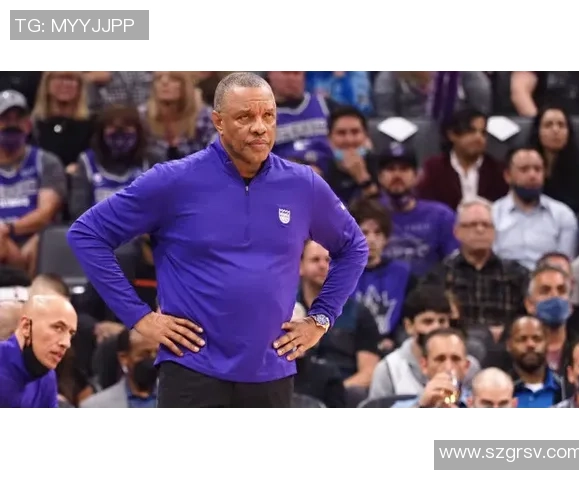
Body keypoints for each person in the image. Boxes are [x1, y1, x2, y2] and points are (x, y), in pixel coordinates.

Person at [67, 72, 368, 408]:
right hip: (192, 371)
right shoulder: (174, 181)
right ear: (218, 122)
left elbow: (354, 247)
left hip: (273, 371)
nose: (260, 127)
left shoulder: (302, 185)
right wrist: (140, 318)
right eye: (245, 117)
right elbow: (87, 234)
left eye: (268, 116)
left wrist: (320, 318)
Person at [0, 294, 78, 407]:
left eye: (71, 334)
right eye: (58, 328)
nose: (66, 343)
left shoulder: (47, 376)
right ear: (26, 326)